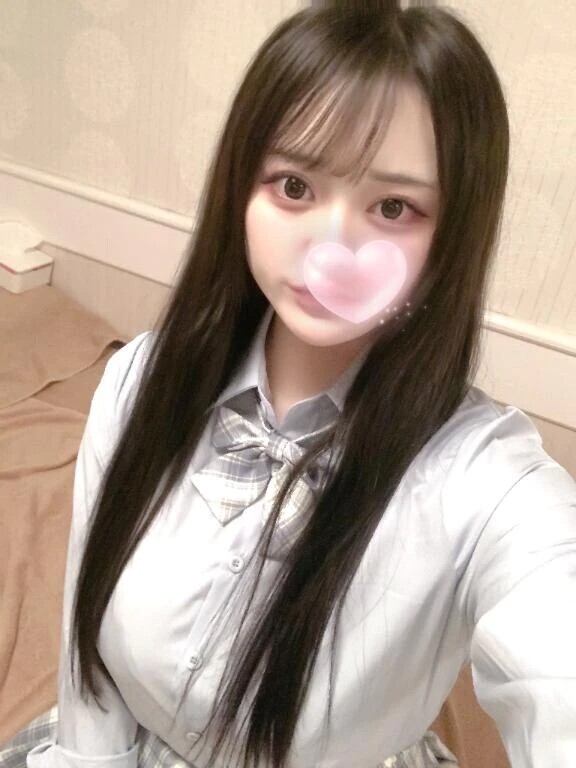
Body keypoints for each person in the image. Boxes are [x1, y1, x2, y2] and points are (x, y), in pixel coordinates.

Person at [2, 0, 575, 766]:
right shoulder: (139, 380)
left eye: (394, 207)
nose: (328, 248)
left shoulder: (485, 482)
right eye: (294, 187)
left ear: (452, 235)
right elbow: (90, 670)